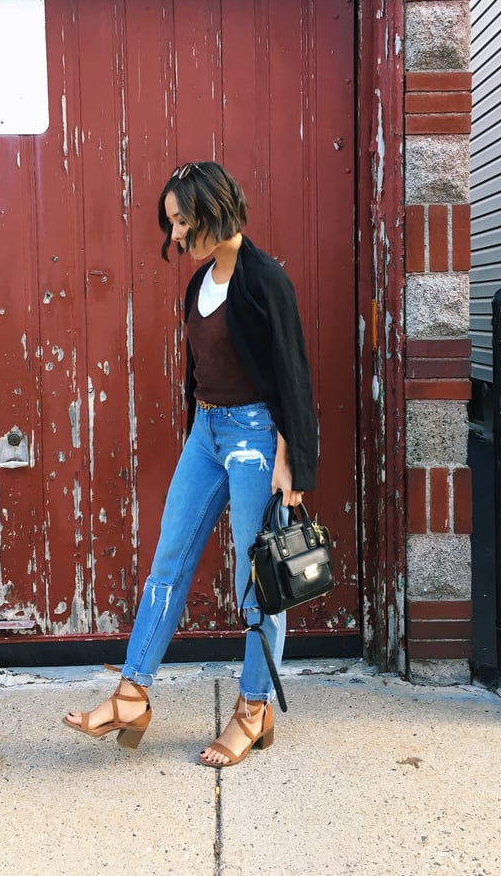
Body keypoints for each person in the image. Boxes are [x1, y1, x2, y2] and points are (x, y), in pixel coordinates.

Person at [63, 161, 318, 768]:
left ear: (211, 208)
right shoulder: (198, 284)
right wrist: (199, 431)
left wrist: (294, 466)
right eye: (171, 224)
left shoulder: (265, 282)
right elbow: (199, 371)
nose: (175, 236)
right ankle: (132, 694)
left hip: (258, 438)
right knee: (168, 562)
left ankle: (253, 712)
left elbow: (295, 380)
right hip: (207, 432)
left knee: (258, 582)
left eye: (181, 221)